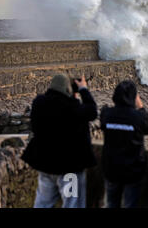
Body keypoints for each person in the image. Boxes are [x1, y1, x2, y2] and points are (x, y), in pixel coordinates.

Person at [22, 74, 97, 208]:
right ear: (67, 89)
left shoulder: (39, 103)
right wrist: (83, 90)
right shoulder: (72, 107)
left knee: (43, 203)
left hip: (45, 164)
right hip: (69, 168)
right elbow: (92, 112)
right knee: (72, 203)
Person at [100, 80, 148, 208]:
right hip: (132, 171)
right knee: (130, 205)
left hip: (111, 169)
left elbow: (103, 124)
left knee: (111, 204)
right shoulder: (138, 117)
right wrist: (141, 107)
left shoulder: (107, 113)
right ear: (134, 97)